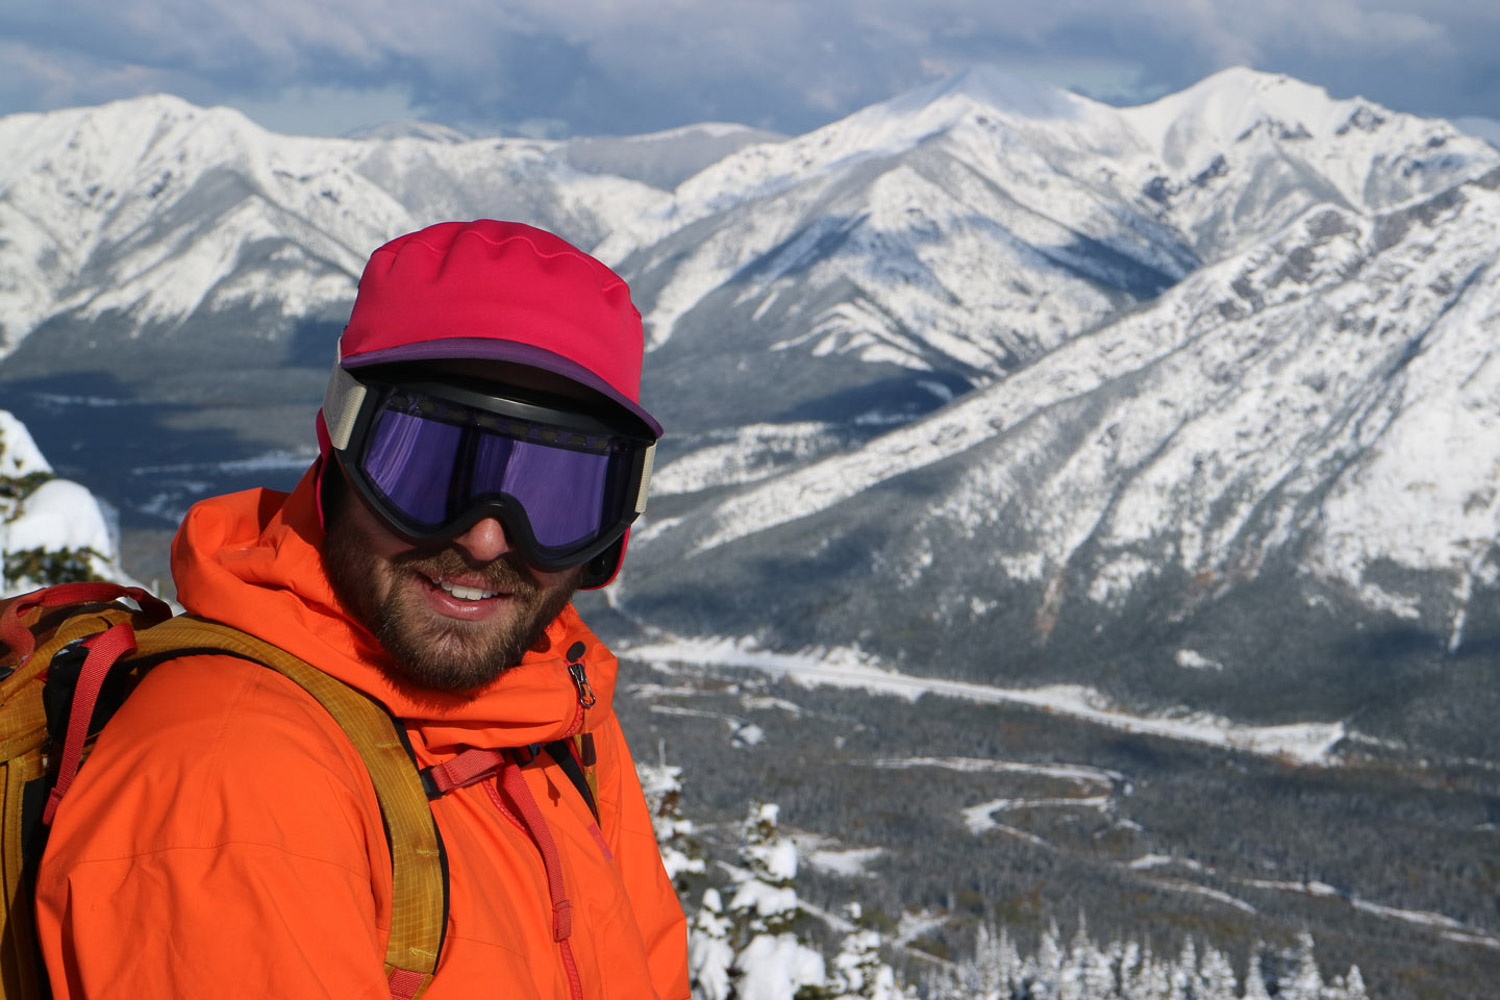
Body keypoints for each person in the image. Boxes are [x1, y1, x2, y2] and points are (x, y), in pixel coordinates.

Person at [33, 220, 690, 1000]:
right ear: (339, 451)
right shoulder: (233, 773)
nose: (485, 538)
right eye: (427, 468)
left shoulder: (558, 717)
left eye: (557, 494)